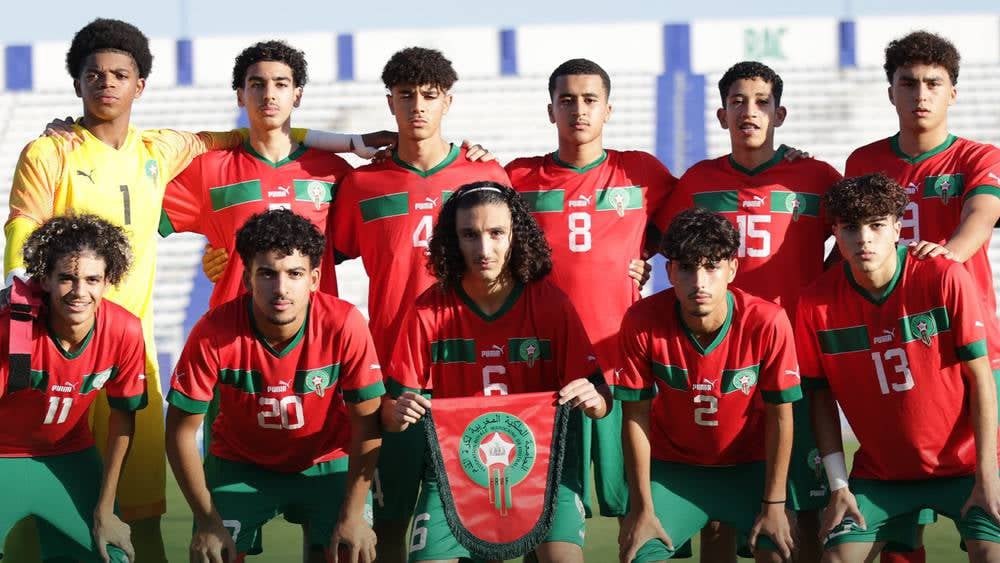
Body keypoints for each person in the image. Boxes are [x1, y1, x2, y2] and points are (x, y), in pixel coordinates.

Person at [1, 19, 385, 561]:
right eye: (256, 85)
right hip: (182, 347)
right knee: (38, 483)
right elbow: (108, 224)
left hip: (232, 349)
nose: (268, 95)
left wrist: (347, 143)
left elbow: (342, 235)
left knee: (147, 507)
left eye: (280, 85)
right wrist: (20, 306)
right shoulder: (172, 164)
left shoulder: (324, 171)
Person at [328, 46, 510, 561]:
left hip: (470, 370)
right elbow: (318, 261)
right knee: (387, 525)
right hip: (393, 373)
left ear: (447, 101)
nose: (418, 106)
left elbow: (520, 268)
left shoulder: (486, 176)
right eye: (406, 95)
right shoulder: (362, 184)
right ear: (390, 102)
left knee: (485, 518)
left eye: (430, 95)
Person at [657, 60, 842, 562]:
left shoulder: (817, 176)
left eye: (762, 102)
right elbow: (659, 243)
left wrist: (822, 281)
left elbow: (856, 239)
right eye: (737, 102)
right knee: (717, 512)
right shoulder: (698, 180)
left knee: (799, 510)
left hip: (795, 358)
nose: (749, 112)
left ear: (780, 114)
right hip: (721, 363)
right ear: (721, 115)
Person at [383, 181, 610, 563]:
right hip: (455, 471)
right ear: (453, 241)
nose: (483, 249)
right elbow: (390, 414)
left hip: (543, 466)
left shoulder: (550, 303)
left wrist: (594, 400)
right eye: (470, 235)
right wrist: (398, 411)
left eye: (496, 233)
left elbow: (602, 397)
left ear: (515, 236)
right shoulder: (428, 309)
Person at [844, 32, 1000, 563]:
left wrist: (945, 257)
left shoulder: (977, 156)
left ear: (953, 91)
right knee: (897, 536)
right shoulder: (864, 161)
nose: (921, 94)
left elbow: (980, 216)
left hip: (966, 351)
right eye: (908, 83)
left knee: (986, 525)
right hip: (893, 350)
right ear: (891, 91)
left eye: (934, 83)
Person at [796, 173, 1000, 562]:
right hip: (882, 476)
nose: (864, 239)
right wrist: (839, 486)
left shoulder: (943, 276)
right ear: (835, 233)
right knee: (835, 558)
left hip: (967, 467)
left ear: (896, 227)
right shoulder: (815, 303)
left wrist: (988, 476)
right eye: (851, 228)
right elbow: (819, 396)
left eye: (876, 225)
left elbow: (982, 378)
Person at [504, 58, 674, 525]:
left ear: (608, 109)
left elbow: (686, 228)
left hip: (623, 358)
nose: (578, 109)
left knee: (639, 506)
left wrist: (644, 253)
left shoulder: (641, 172)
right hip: (543, 362)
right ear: (551, 110)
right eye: (567, 100)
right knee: (544, 509)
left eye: (589, 100)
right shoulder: (517, 177)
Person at [165, 209, 384, 562]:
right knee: (211, 554)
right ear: (247, 279)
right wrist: (206, 520)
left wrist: (354, 514)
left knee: (354, 550)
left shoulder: (344, 323)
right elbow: (180, 431)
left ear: (314, 279)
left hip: (327, 459)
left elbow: (367, 423)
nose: (281, 289)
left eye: (294, 273)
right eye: (267, 273)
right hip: (240, 463)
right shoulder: (213, 331)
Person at [617, 207, 799, 563]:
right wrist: (641, 508)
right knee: (638, 554)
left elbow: (781, 417)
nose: (699, 282)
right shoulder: (641, 320)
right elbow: (635, 417)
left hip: (749, 467)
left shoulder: (767, 321)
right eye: (687, 268)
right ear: (670, 271)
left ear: (732, 268)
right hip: (674, 472)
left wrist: (775, 504)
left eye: (712, 267)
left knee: (780, 551)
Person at [0, 214, 147, 562]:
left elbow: (123, 419)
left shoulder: (125, 330)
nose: (80, 292)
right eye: (67, 278)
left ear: (108, 281)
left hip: (70, 457)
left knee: (114, 555)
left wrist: (106, 509)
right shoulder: (11, 328)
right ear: (45, 280)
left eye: (92, 279)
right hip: (2, 455)